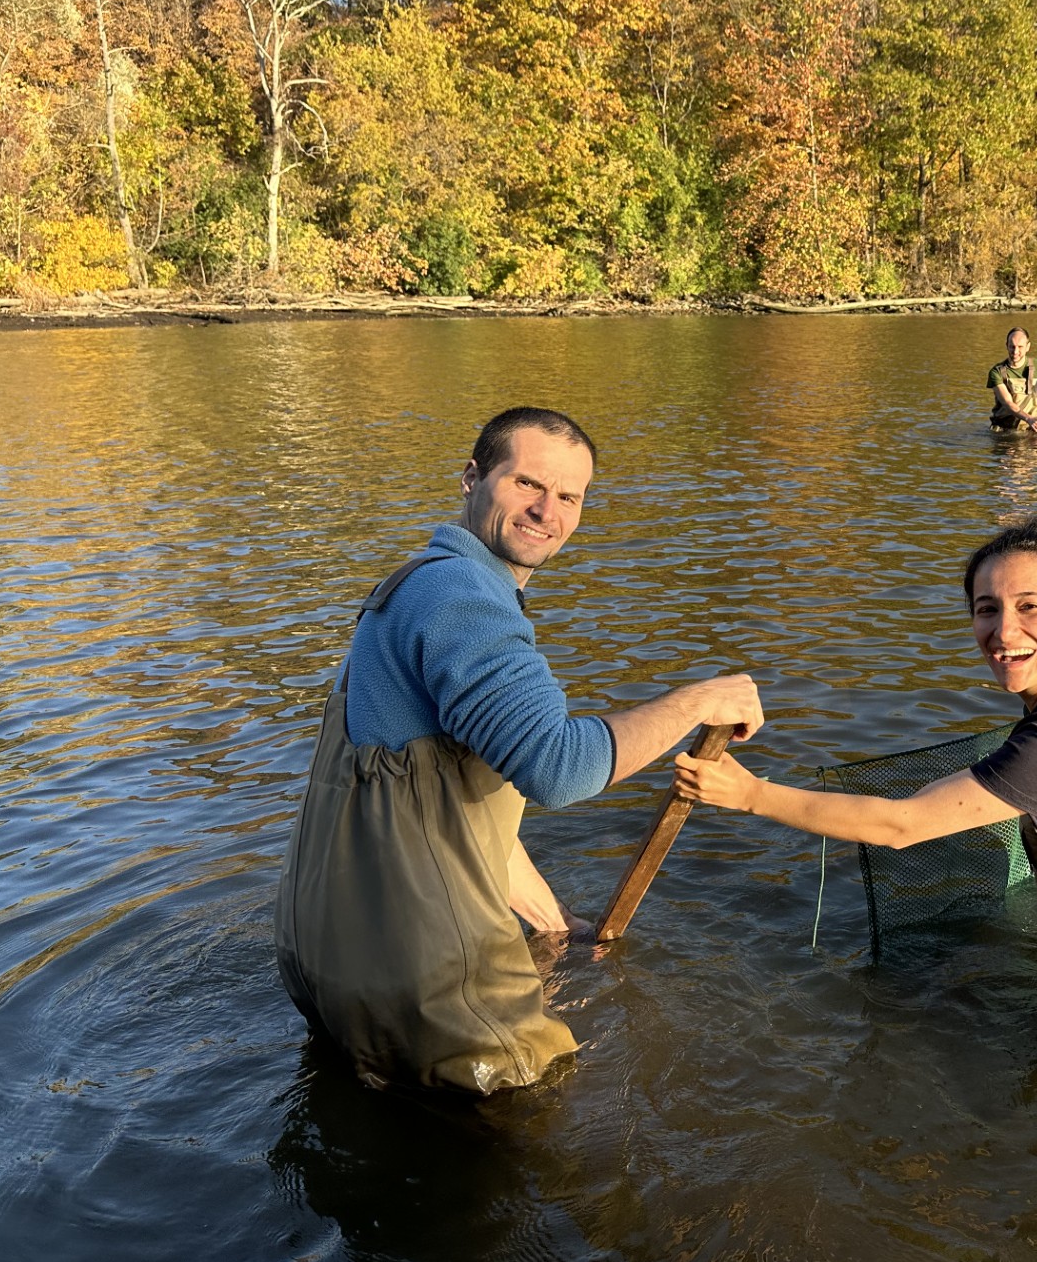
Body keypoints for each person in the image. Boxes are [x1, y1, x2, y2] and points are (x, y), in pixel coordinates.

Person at [275, 406, 763, 1095]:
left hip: (326, 960)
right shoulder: (465, 597)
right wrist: (695, 704)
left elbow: (446, 800)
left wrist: (551, 920)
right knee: (554, 1154)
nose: (547, 511)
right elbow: (558, 769)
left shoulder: (411, 585)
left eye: (569, 497)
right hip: (423, 985)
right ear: (473, 477)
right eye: (528, 483)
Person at [674, 518, 1037, 1071]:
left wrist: (750, 793)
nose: (1004, 633)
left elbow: (901, 826)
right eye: (988, 610)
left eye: (1030, 607)